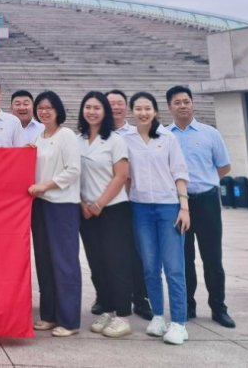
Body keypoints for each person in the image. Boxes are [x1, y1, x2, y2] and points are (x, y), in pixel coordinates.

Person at [124, 92, 191, 345]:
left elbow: (180, 172)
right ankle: (158, 317)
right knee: (150, 267)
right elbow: (126, 177)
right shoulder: (126, 140)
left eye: (147, 108)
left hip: (168, 208)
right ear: (132, 111)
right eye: (138, 108)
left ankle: (179, 323)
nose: (143, 113)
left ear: (155, 111)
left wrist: (184, 207)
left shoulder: (168, 137)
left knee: (174, 267)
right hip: (140, 208)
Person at [166, 85, 235, 328]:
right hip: (177, 204)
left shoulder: (210, 134)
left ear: (193, 104)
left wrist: (206, 181)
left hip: (207, 201)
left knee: (212, 257)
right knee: (183, 258)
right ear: (169, 107)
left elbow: (224, 166)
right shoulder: (164, 136)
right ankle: (187, 305)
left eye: (186, 101)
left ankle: (218, 308)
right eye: (177, 102)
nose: (183, 106)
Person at [76, 91, 134, 338]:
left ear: (105, 112)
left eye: (97, 108)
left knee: (116, 262)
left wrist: (99, 204)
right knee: (96, 262)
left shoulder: (115, 140)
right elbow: (72, 174)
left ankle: (123, 315)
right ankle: (108, 310)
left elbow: (121, 176)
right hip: (86, 211)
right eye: (88, 107)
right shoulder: (77, 140)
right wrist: (83, 204)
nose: (92, 112)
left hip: (112, 209)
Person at [27, 91, 82, 337]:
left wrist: (45, 186)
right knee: (45, 262)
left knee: (64, 263)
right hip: (40, 205)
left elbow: (73, 170)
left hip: (61, 205)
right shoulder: (38, 137)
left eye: (49, 107)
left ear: (58, 110)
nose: (44, 111)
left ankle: (69, 321)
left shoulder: (66, 135)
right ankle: (49, 315)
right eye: (40, 107)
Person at [102, 89, 152, 321]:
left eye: (119, 103)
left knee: (136, 253)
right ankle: (106, 297)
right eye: (110, 103)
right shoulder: (97, 134)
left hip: (133, 201)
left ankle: (141, 298)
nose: (115, 107)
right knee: (107, 252)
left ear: (127, 107)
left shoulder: (137, 134)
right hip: (106, 203)